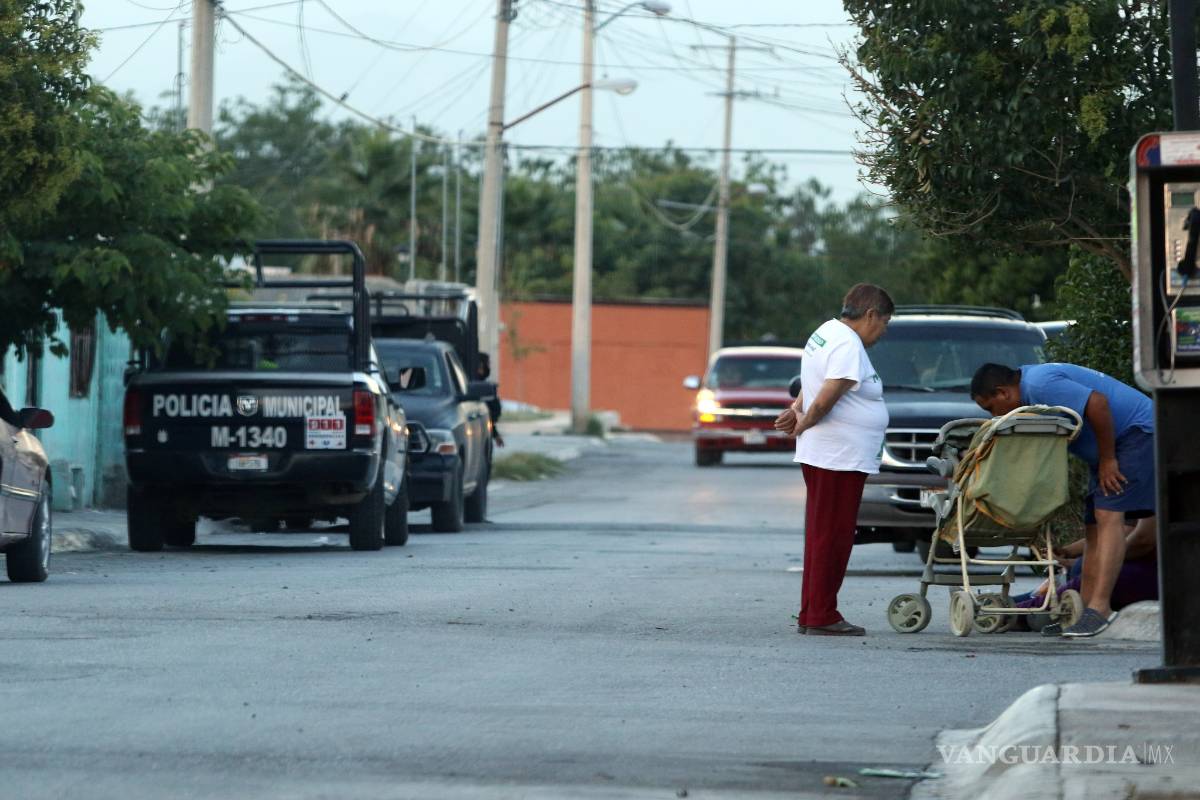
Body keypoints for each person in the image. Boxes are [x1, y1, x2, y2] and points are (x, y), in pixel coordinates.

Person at [970, 363, 1155, 638]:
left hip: (1135, 434)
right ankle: (1080, 611)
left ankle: (1100, 608)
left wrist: (1107, 459)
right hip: (1112, 446)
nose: (994, 416)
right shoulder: (1031, 388)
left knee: (1108, 517)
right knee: (1093, 527)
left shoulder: (1039, 385)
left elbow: (1098, 402)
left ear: (1003, 393)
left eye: (991, 408)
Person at [774, 283, 893, 636]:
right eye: (885, 322)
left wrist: (796, 410)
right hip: (837, 455)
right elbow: (825, 397)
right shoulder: (846, 343)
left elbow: (811, 387)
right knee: (833, 536)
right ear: (870, 314)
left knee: (822, 533)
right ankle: (822, 615)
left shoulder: (826, 333)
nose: (884, 331)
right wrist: (803, 423)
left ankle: (813, 612)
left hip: (832, 453)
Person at [476, 353, 504, 448]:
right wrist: (495, 434)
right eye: (488, 364)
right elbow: (488, 414)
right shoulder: (479, 387)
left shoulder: (481, 385)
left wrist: (495, 434)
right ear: (480, 366)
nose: (489, 367)